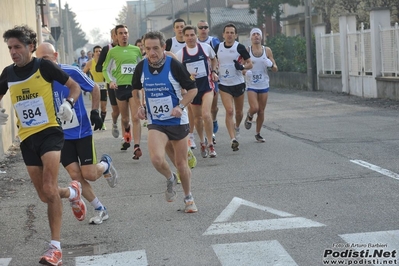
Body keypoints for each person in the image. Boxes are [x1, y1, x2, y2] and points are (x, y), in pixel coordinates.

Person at [0, 25, 85, 266]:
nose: (13, 52)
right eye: (10, 48)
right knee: (44, 194)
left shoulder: (43, 66)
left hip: (49, 132)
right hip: (27, 139)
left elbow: (74, 86)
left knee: (48, 186)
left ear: (30, 47)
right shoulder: (7, 73)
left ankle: (55, 248)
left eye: (17, 47)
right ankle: (71, 192)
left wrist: (69, 103)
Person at [36, 42, 118, 226]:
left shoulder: (70, 72)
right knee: (75, 174)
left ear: (55, 56)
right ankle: (100, 209)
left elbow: (94, 88)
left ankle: (104, 165)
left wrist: (95, 112)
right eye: (40, 60)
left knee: (89, 174)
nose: (44, 64)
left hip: (81, 131)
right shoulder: (38, 78)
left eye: (46, 59)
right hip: (59, 135)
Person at [132, 31, 198, 213]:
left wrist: (181, 107)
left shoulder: (174, 65)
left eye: (155, 48)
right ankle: (170, 178)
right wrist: (140, 106)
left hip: (177, 121)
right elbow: (135, 89)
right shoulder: (141, 67)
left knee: (181, 163)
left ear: (163, 47)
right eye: (147, 49)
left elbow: (192, 90)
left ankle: (188, 198)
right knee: (156, 158)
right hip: (156, 121)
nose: (151, 53)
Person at [175, 25, 218, 158]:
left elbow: (214, 58)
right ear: (183, 37)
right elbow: (178, 73)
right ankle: (202, 141)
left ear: (196, 36)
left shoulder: (205, 48)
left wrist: (214, 71)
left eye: (192, 35)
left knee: (206, 114)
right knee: (197, 119)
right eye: (187, 35)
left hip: (207, 87)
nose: (190, 38)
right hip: (192, 90)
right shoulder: (180, 54)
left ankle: (210, 144)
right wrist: (186, 81)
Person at [103, 25, 143, 158]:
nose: (124, 35)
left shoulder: (136, 50)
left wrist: (143, 81)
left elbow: (141, 67)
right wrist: (111, 81)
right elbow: (105, 69)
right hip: (119, 88)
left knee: (136, 117)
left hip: (133, 88)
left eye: (125, 33)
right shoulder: (112, 52)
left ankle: (136, 145)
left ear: (128, 34)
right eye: (120, 33)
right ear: (116, 36)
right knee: (125, 119)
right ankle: (126, 132)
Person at [214, 23, 253, 151]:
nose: (229, 35)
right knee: (229, 111)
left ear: (235, 35)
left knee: (239, 112)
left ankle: (237, 127)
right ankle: (233, 139)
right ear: (223, 34)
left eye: (232, 33)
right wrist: (214, 70)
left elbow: (250, 64)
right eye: (227, 32)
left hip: (238, 83)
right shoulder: (217, 47)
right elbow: (212, 61)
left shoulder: (239, 47)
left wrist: (242, 67)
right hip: (224, 84)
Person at [165, 19, 197, 150]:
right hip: (175, 80)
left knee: (191, 109)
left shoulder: (193, 42)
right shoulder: (170, 43)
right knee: (181, 108)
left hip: (190, 79)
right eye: (177, 27)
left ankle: (190, 135)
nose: (180, 29)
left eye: (182, 26)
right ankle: (179, 136)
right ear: (174, 29)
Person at [244, 28, 278, 142]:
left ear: (261, 37)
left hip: (263, 83)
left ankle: (258, 133)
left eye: (258, 34)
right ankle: (249, 115)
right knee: (255, 107)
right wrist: (245, 71)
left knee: (261, 111)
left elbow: (275, 68)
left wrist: (271, 64)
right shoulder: (247, 50)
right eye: (253, 34)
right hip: (251, 84)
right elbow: (241, 67)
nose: (256, 36)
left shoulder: (267, 50)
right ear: (250, 37)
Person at [197, 20, 221, 145]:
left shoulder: (214, 41)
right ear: (197, 29)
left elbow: (218, 57)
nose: (203, 29)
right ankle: (209, 134)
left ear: (208, 29)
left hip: (212, 78)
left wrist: (215, 71)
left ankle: (214, 119)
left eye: (205, 27)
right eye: (201, 27)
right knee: (202, 111)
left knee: (213, 107)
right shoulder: (193, 42)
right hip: (198, 81)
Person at [96, 28, 121, 138]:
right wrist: (109, 68)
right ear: (113, 36)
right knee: (117, 111)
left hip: (127, 83)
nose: (119, 36)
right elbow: (98, 67)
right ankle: (114, 122)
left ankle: (126, 138)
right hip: (112, 83)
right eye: (116, 34)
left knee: (128, 114)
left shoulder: (130, 49)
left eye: (123, 33)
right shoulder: (107, 49)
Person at [83, 45, 107, 130]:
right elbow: (83, 73)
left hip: (104, 86)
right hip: (94, 88)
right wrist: (87, 82)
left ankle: (102, 123)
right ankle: (95, 121)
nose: (98, 53)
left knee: (103, 107)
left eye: (100, 51)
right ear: (94, 53)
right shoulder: (90, 63)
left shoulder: (105, 62)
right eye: (96, 51)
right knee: (95, 106)